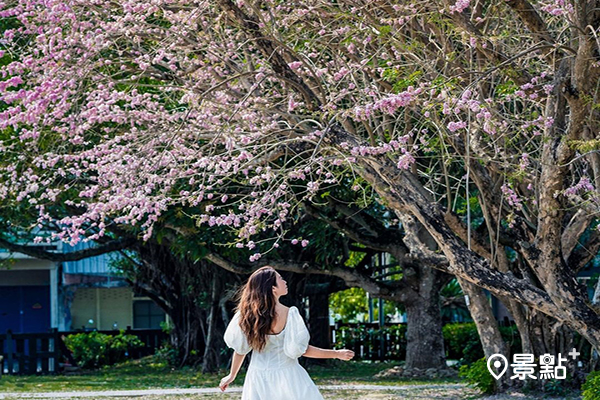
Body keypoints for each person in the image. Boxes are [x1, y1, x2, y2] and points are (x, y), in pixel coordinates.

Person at [219, 266, 355, 399]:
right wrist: (336, 354)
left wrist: (232, 375)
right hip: (288, 375)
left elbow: (241, 349)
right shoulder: (290, 314)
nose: (285, 282)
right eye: (281, 279)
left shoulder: (247, 315)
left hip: (258, 376)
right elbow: (302, 350)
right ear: (273, 288)